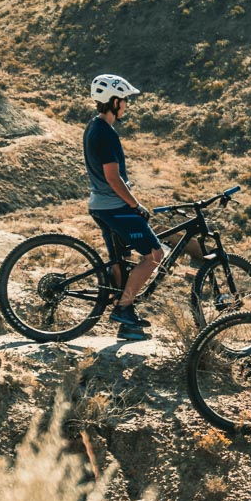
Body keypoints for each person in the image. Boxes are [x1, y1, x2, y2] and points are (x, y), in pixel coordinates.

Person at [84, 74, 162, 338]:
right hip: (114, 206)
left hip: (100, 204)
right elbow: (113, 178)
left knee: (121, 259)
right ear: (114, 101)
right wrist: (135, 205)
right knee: (154, 255)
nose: (127, 105)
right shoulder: (106, 133)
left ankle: (126, 322)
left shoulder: (93, 126)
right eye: (125, 100)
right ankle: (123, 307)